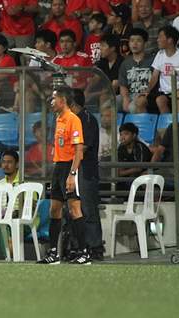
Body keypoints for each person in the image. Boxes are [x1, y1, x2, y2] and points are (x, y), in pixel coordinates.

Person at [38, 87, 90, 265]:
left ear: (63, 100)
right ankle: (54, 253)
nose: (51, 102)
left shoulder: (73, 120)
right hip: (58, 167)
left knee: (75, 210)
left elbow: (78, 151)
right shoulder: (58, 118)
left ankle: (84, 252)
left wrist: (72, 174)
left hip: (69, 167)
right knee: (54, 209)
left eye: (54, 99)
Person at [70, 89, 103, 260]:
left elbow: (82, 148)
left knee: (88, 209)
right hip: (72, 171)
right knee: (74, 210)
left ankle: (95, 247)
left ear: (72, 103)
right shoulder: (71, 120)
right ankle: (78, 247)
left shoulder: (87, 120)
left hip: (85, 171)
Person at [146, 25, 179, 114]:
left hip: (178, 91)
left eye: (160, 37)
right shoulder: (160, 54)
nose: (157, 40)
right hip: (163, 92)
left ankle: (173, 125)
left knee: (166, 100)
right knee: (144, 101)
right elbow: (155, 76)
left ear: (170, 40)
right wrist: (147, 90)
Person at [119, 28, 154, 113]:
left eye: (138, 41)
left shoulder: (153, 60)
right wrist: (125, 98)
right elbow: (123, 85)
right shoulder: (125, 63)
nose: (134, 44)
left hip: (146, 95)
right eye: (132, 41)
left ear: (145, 43)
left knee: (132, 107)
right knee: (108, 104)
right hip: (130, 94)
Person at [117, 122, 153, 191]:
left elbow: (139, 168)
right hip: (130, 175)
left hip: (144, 173)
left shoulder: (140, 147)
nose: (122, 137)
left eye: (126, 134)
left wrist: (121, 173)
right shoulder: (121, 148)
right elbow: (120, 169)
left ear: (134, 135)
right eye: (121, 134)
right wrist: (120, 173)